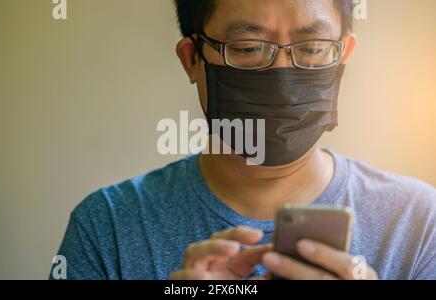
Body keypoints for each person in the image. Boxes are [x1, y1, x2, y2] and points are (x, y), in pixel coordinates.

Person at [50, 0, 436, 280]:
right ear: (191, 60)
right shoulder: (107, 226)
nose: (284, 74)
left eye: (313, 48)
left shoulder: (417, 222)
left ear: (343, 57)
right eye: (248, 48)